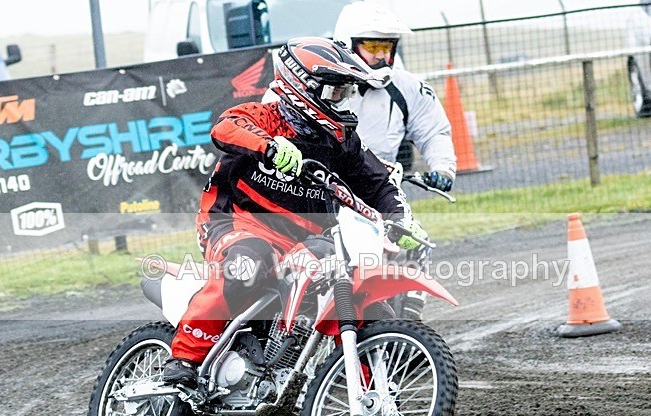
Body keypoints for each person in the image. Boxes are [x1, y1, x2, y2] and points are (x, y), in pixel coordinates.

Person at [162, 37, 427, 385]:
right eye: (335, 93)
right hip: (236, 223)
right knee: (249, 263)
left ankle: (374, 413)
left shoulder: (342, 142)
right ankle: (184, 357)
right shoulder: (264, 117)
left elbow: (377, 183)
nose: (342, 102)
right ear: (303, 88)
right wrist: (268, 146)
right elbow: (225, 128)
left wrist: (402, 222)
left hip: (305, 239)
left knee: (353, 292)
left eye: (346, 93)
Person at [333, 1, 457, 192]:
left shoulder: (408, 86)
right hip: (324, 188)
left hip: (380, 190)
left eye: (387, 47)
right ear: (348, 43)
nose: (381, 56)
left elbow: (433, 132)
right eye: (373, 47)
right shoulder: (321, 82)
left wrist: (443, 169)